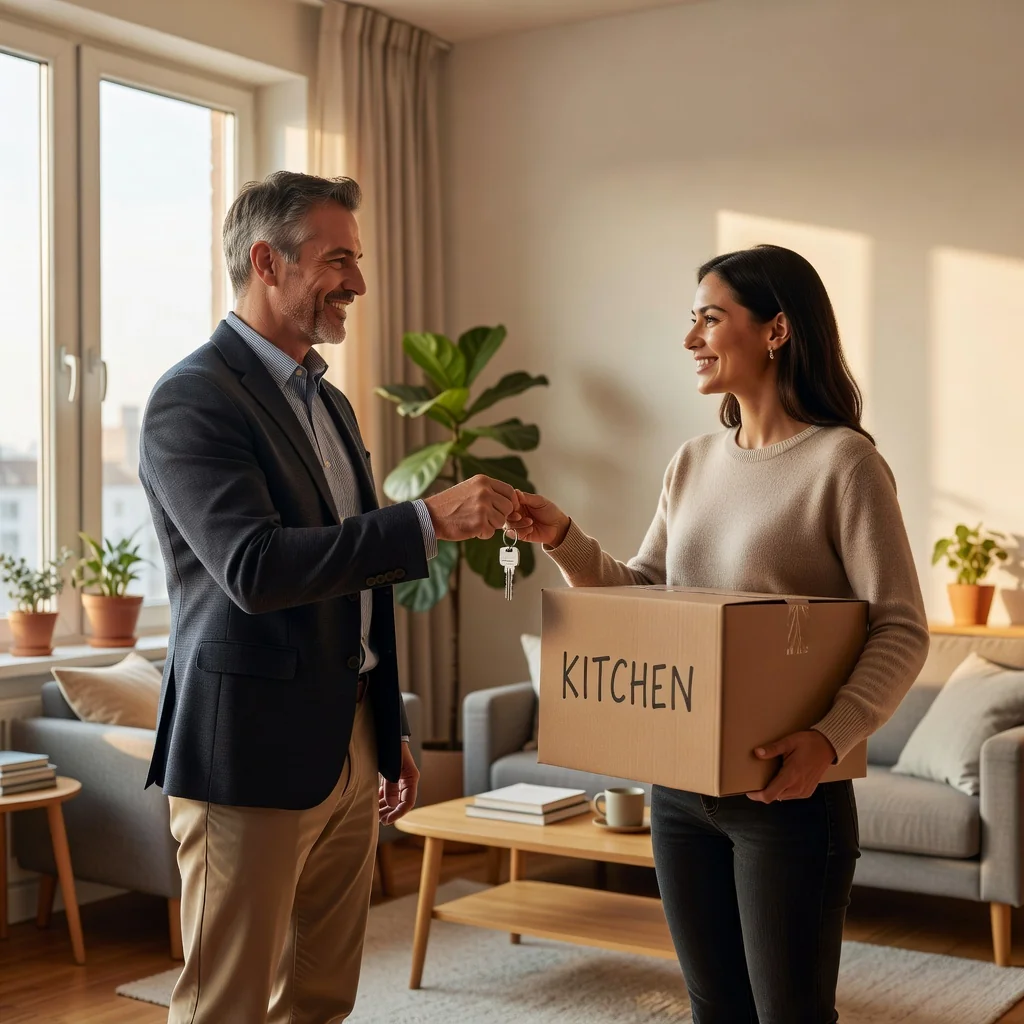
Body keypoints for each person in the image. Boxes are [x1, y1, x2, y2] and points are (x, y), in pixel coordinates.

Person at [511, 244, 929, 1023]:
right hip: (679, 791)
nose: (691, 337)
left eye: (711, 316)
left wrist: (830, 738)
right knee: (713, 1011)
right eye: (692, 318)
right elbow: (645, 596)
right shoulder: (693, 461)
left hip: (788, 795)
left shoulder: (844, 464)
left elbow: (901, 628)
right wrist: (563, 536)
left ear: (776, 330)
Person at [139, 171, 520, 1024]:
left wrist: (385, 728)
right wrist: (423, 518)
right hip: (246, 750)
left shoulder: (332, 402)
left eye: (358, 258)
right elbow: (255, 568)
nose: (358, 282)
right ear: (267, 261)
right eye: (337, 259)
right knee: (224, 1005)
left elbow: (360, 580)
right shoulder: (190, 398)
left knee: (321, 995)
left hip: (347, 740)